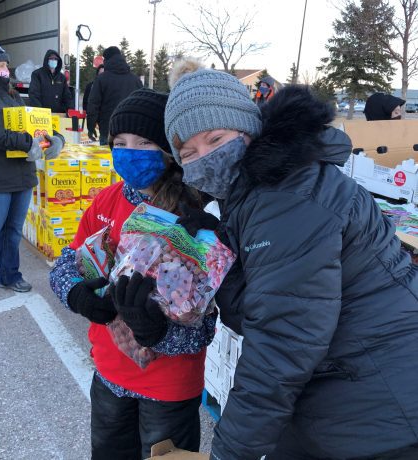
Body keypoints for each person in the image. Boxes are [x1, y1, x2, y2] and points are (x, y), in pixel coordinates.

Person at [164, 59, 418, 459]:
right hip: (341, 388)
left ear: (248, 130)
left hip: (378, 407)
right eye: (189, 152)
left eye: (215, 139)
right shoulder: (257, 192)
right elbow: (269, 307)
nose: (206, 156)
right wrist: (224, 258)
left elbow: (281, 344)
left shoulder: (287, 197)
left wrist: (228, 453)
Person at [50, 88, 217, 460]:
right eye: (120, 143)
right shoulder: (107, 200)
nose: (130, 151)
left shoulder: (197, 215)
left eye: (144, 142)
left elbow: (205, 325)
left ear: (169, 150)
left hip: (170, 387)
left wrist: (158, 333)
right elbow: (67, 265)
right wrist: (76, 294)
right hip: (109, 373)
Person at [0, 30, 64, 305]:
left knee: (13, 230)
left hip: (21, 176)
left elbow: (35, 124)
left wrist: (55, 139)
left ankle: (9, 274)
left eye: (6, 64)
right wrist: (26, 142)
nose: (6, 69)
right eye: (1, 64)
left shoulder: (14, 96)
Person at [86, 46, 142, 145]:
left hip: (108, 131)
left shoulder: (101, 79)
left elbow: (93, 105)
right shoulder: (136, 80)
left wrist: (90, 127)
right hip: (131, 132)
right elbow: (141, 106)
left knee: (108, 155)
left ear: (106, 60)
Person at [28, 49, 74, 114]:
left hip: (58, 114)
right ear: (47, 60)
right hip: (42, 115)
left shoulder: (62, 78)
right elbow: (34, 95)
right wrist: (40, 112)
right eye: (51, 58)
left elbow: (67, 97)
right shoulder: (37, 74)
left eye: (55, 59)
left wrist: (70, 111)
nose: (53, 60)